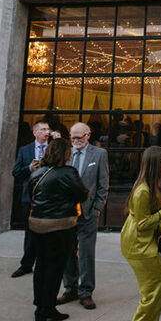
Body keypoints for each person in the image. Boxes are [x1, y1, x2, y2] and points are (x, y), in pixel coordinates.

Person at [29, 138, 88, 321]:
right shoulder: (68, 172)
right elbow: (82, 194)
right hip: (60, 225)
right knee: (55, 268)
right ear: (64, 153)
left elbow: (31, 193)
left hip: (37, 224)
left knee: (41, 265)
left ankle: (40, 307)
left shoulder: (37, 172)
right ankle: (48, 307)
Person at [57, 122, 109, 310]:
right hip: (66, 212)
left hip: (88, 213)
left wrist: (97, 208)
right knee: (67, 251)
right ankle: (70, 288)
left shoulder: (99, 154)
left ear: (88, 135)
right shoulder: (66, 153)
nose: (76, 141)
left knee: (86, 254)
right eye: (73, 138)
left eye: (79, 137)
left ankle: (86, 292)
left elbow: (103, 184)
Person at [120, 146, 161, 321]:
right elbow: (142, 224)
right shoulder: (143, 190)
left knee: (157, 288)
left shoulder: (151, 184)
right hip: (139, 245)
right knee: (153, 291)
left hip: (143, 243)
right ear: (156, 162)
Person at [12, 120, 53, 278]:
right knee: (30, 233)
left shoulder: (53, 148)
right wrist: (29, 168)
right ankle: (26, 264)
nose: (46, 132)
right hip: (29, 198)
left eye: (47, 129)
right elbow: (15, 172)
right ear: (35, 133)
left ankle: (46, 264)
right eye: (42, 129)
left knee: (49, 232)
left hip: (49, 198)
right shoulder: (25, 150)